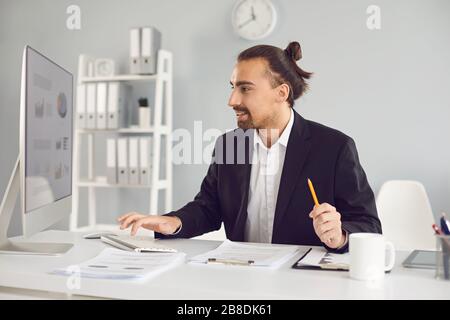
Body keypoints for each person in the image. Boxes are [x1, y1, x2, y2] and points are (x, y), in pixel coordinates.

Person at [118, 41, 381, 253]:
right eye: (233, 87)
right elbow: (209, 208)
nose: (232, 100)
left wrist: (340, 235)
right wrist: (173, 222)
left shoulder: (333, 148)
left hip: (305, 282)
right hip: (241, 276)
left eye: (245, 89)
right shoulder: (231, 144)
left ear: (282, 93)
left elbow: (368, 225)